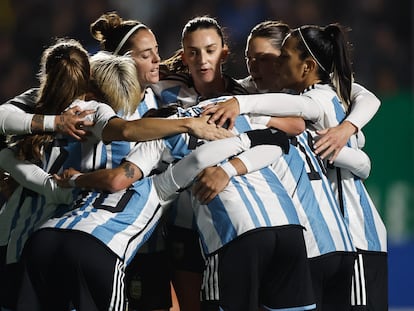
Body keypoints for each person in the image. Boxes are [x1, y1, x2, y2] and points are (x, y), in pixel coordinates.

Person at [203, 23, 387, 311]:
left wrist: (240, 104)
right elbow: (362, 162)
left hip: (355, 232)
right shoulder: (314, 99)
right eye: (250, 58)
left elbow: (358, 127)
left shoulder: (318, 97)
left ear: (307, 65)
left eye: (277, 57)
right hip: (325, 237)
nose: (259, 66)